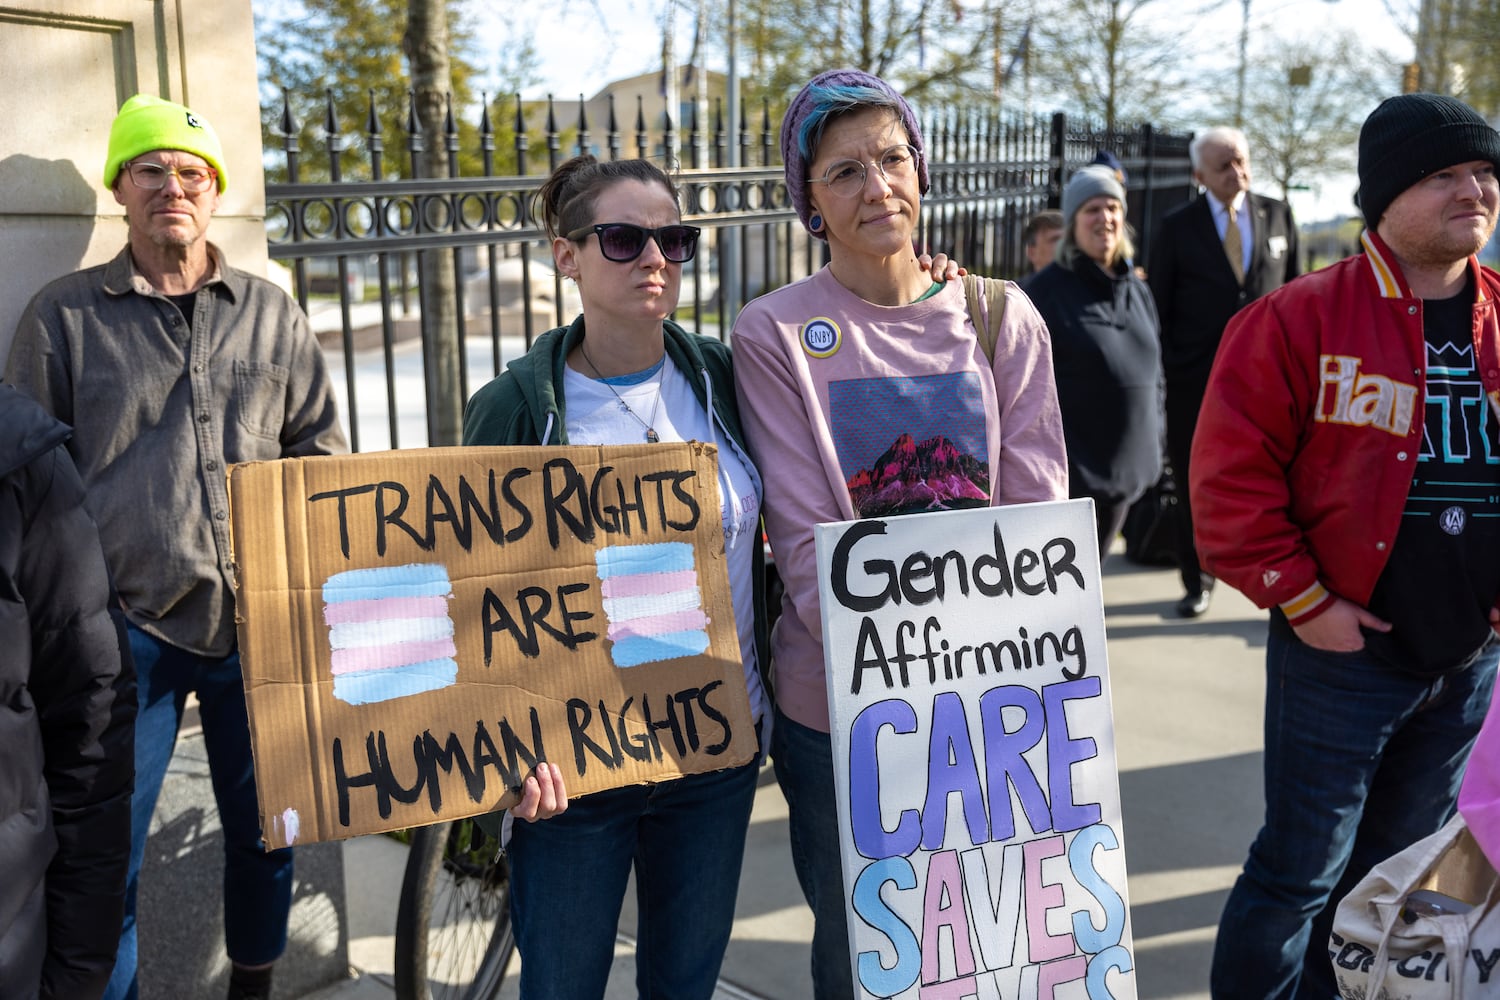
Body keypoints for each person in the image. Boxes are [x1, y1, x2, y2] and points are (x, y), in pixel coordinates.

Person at [730, 68, 1069, 999]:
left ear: (922, 169)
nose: (877, 187)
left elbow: (1039, 523)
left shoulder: (999, 314)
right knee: (866, 956)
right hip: (843, 716)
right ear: (809, 198)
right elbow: (804, 546)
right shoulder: (774, 334)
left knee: (989, 949)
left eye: (892, 158)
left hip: (992, 708)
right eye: (844, 172)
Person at [6, 94, 348, 1000]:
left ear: (213, 192)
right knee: (103, 861)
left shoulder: (271, 316)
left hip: (258, 628)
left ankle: (253, 986)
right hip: (125, 635)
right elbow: (29, 480)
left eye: (192, 173)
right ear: (121, 187)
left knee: (270, 830)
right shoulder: (61, 319)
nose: (172, 186)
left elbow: (320, 452)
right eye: (150, 169)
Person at [1191, 93, 1500, 999]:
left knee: (1396, 883)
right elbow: (1227, 486)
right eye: (1443, 173)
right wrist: (1307, 602)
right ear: (1386, 193)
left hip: (1466, 661)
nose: (1473, 189)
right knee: (1297, 878)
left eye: (1484, 172)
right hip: (1341, 658)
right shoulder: (1296, 320)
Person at [461, 153, 769, 1000]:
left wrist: (928, 276)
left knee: (684, 985)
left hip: (711, 754)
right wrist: (505, 745)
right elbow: (473, 592)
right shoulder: (518, 405)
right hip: (571, 774)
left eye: (673, 238)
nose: (654, 259)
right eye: (625, 239)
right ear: (568, 256)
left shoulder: (729, 378)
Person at [0, 385, 135, 1000]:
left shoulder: (17, 456)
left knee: (260, 842)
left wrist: (78, 973)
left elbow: (89, 717)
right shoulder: (63, 316)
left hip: (205, 634)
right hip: (128, 623)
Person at [1147, 126, 1298, 618]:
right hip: (1197, 383)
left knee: (1279, 476)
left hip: (1269, 380)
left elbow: (1296, 298)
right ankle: (1198, 579)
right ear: (1198, 176)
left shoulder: (1278, 215)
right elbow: (1159, 311)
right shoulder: (1177, 227)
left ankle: (1282, 574)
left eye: (1241, 162)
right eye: (1223, 166)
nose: (1236, 173)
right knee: (1199, 481)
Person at [1025, 165, 1163, 557]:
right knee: (1069, 599)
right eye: (1092, 209)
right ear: (1073, 223)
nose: (1105, 218)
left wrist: (1158, 438)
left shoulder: (1138, 291)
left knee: (1093, 586)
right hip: (1074, 482)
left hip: (1129, 474)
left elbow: (1157, 374)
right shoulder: (1043, 293)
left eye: (1112, 208)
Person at [1020, 208, 1063, 279]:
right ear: (1032, 253)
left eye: (1068, 240)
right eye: (1055, 240)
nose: (1064, 245)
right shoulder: (1019, 289)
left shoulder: (1084, 287)